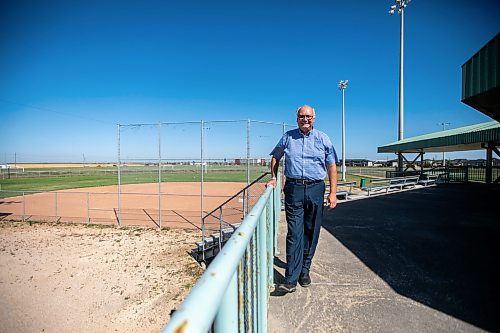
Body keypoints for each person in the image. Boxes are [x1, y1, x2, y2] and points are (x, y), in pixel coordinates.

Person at [267, 104, 338, 294]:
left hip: (316, 188)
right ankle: (290, 279)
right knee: (295, 234)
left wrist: (332, 193)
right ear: (297, 118)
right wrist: (273, 178)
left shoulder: (323, 139)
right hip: (294, 188)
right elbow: (275, 157)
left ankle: (304, 270)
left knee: (311, 231)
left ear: (314, 118)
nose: (305, 119)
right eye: (301, 116)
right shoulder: (288, 136)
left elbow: (331, 166)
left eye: (308, 116)